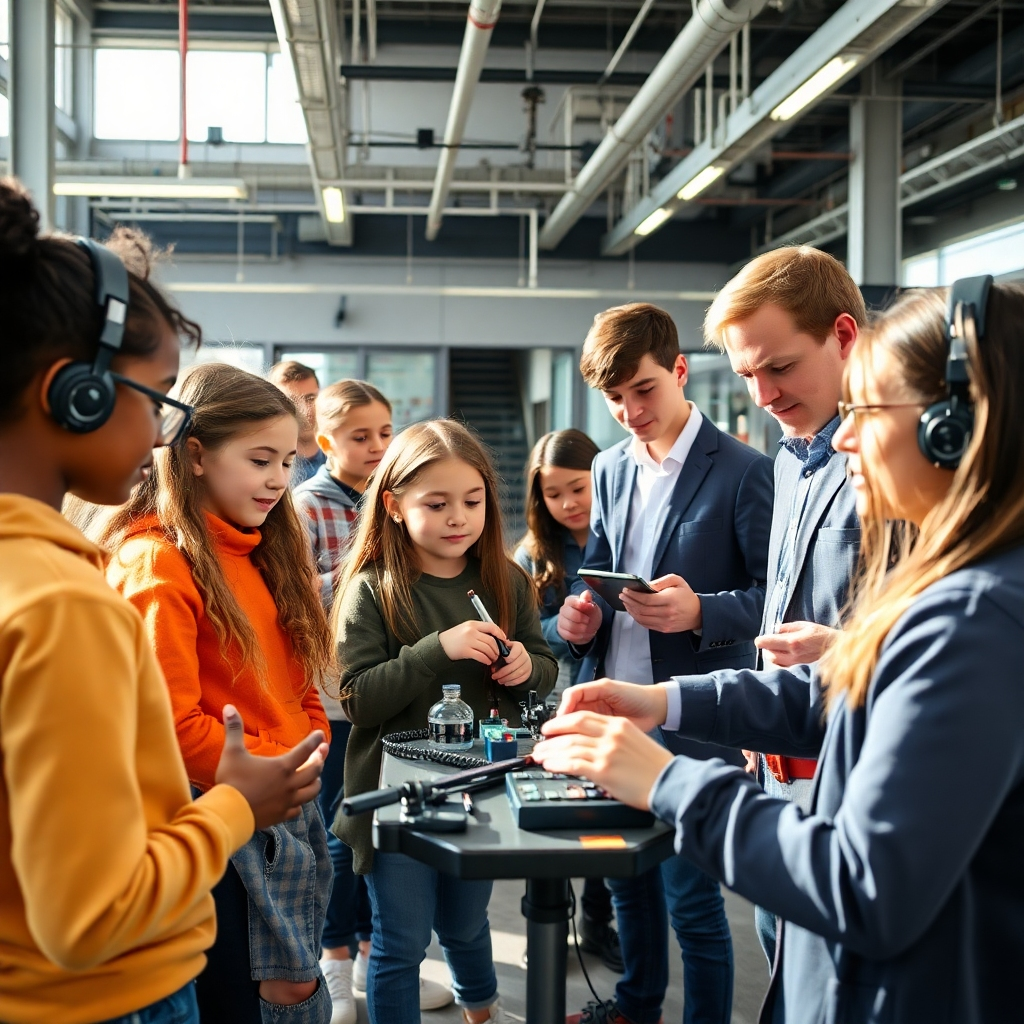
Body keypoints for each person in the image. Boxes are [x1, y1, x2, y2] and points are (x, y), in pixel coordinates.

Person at [534, 280, 1024, 1024]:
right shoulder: (962, 585)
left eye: (868, 411)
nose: (846, 438)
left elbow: (864, 885)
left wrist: (668, 780)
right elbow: (837, 691)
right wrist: (663, 702)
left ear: (952, 428)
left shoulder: (975, 613)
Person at [0, 178, 327, 1024]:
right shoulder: (63, 606)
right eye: (155, 396)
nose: (158, 431)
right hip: (109, 997)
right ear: (76, 393)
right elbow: (89, 914)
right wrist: (233, 806)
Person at [556, 303, 774, 1024]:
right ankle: (636, 1004)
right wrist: (580, 616)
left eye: (642, 389)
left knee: (692, 897)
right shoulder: (608, 467)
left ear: (680, 372)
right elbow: (598, 569)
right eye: (613, 398)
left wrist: (702, 611)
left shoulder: (746, 471)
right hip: (614, 700)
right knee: (626, 883)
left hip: (694, 711)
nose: (628, 410)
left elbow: (774, 598)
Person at [104, 363, 336, 1024]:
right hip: (218, 820)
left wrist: (307, 752)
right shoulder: (156, 562)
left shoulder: (263, 551)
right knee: (260, 996)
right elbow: (168, 728)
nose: (277, 478)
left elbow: (298, 686)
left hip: (285, 801)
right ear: (196, 454)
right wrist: (276, 769)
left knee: (296, 988)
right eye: (260, 459)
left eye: (289, 460)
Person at [333, 419, 558, 1024]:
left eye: (473, 500)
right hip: (397, 797)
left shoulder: (506, 580)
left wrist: (523, 670)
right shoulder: (371, 590)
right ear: (395, 506)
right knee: (401, 942)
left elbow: (545, 665)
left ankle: (480, 1009)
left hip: (482, 789)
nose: (458, 517)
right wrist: (440, 647)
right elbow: (357, 699)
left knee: (464, 922)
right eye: (437, 503)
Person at [702, 247, 867, 967]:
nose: (763, 393)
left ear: (843, 336)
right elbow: (778, 596)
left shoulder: (891, 463)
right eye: (746, 375)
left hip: (853, 765)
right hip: (777, 762)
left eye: (780, 367)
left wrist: (846, 647)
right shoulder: (786, 457)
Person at [294, 382, 451, 1020]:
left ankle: (368, 954)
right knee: (343, 828)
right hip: (338, 698)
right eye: (361, 436)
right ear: (327, 442)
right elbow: (299, 603)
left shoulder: (393, 499)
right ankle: (333, 960)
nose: (377, 446)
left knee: (386, 829)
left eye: (385, 432)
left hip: (400, 693)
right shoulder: (306, 506)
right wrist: (370, 571)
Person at [514, 429, 623, 974]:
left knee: (606, 814)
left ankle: (597, 922)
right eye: (553, 495)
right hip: (557, 700)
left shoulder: (622, 533)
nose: (568, 505)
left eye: (577, 489)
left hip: (617, 695)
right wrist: (567, 626)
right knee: (554, 813)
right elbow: (525, 631)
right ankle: (545, 924)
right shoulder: (533, 553)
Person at [270, 360, 326, 485]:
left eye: (310, 398)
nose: (304, 410)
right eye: (292, 401)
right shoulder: (264, 456)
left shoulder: (339, 451)